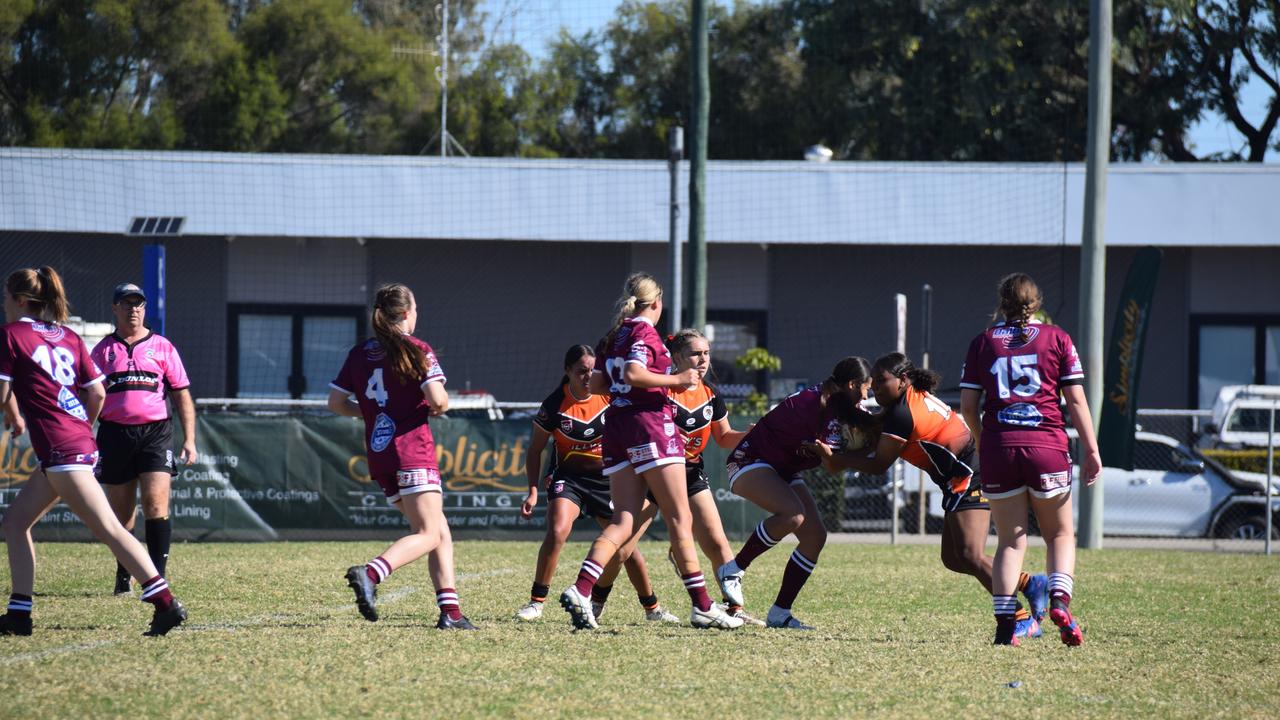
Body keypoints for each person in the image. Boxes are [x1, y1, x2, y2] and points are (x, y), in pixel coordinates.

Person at [806, 352, 1048, 639]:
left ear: (903, 380)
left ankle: (1020, 618)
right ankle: (1030, 583)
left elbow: (879, 463)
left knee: (970, 554)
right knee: (953, 558)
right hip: (959, 476)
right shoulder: (906, 400)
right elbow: (878, 430)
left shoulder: (901, 413)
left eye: (882, 381)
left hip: (970, 474)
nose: (875, 388)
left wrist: (839, 458)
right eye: (874, 383)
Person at [0, 266, 186, 637]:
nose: (4, 304)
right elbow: (97, 393)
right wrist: (77, 427)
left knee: (111, 529)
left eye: (5, 298)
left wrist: (15, 415)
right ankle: (19, 614)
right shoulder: (67, 336)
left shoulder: (10, 335)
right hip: (72, 444)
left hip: (62, 450)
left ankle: (166, 604)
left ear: (20, 300)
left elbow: (2, 393)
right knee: (15, 524)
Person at [559, 273, 742, 630]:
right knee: (679, 520)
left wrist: (621, 383)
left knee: (623, 520)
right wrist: (676, 379)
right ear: (656, 303)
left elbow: (596, 383)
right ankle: (703, 606)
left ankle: (582, 588)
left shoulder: (615, 334)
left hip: (616, 429)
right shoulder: (644, 333)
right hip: (649, 426)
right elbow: (634, 372)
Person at [958, 273, 1101, 646]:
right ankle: (1059, 601)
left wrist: (982, 440)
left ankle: (1006, 628)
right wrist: (1092, 449)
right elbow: (1076, 400)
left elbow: (969, 407)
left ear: (1002, 304)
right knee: (1059, 533)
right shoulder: (1058, 339)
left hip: (1000, 448)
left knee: (1010, 541)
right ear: (1036, 303)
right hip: (1047, 446)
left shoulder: (983, 342)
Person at [329, 283, 475, 630]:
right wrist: (434, 406)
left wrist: (371, 414)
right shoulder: (417, 350)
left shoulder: (360, 353)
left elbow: (335, 403)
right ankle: (371, 573)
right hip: (412, 450)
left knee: (438, 529)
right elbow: (439, 401)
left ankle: (451, 612)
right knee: (429, 533)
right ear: (408, 313)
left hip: (380, 455)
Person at [516, 344, 679, 624]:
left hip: (609, 480)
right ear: (567, 371)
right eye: (581, 371)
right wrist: (532, 489)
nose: (588, 377)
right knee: (557, 531)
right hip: (570, 479)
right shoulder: (555, 405)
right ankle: (536, 603)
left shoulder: (610, 397)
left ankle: (653, 609)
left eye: (593, 371)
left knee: (625, 549)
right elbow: (534, 450)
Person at [715, 357, 871, 630]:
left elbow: (836, 462)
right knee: (793, 515)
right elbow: (832, 460)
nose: (867, 395)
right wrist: (844, 451)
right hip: (749, 461)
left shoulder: (844, 406)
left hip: (783, 469)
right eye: (865, 389)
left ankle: (780, 613)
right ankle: (733, 569)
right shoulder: (809, 405)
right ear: (851, 384)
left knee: (814, 536)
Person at [91, 282, 197, 595]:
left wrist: (189, 439)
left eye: (138, 304)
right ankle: (124, 576)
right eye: (126, 304)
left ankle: (157, 580)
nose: (133, 309)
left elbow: (182, 395)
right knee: (122, 516)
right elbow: (89, 394)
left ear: (145, 309)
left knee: (155, 503)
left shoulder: (163, 347)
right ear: (114, 308)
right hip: (114, 434)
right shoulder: (102, 351)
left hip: (155, 432)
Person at [664, 328, 763, 625]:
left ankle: (734, 609)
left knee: (719, 542)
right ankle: (591, 598)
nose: (703, 359)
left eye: (706, 353)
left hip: (691, 471)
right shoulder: (662, 389)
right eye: (696, 353)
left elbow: (723, 437)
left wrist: (750, 434)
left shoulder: (710, 394)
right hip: (656, 472)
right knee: (624, 540)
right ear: (678, 357)